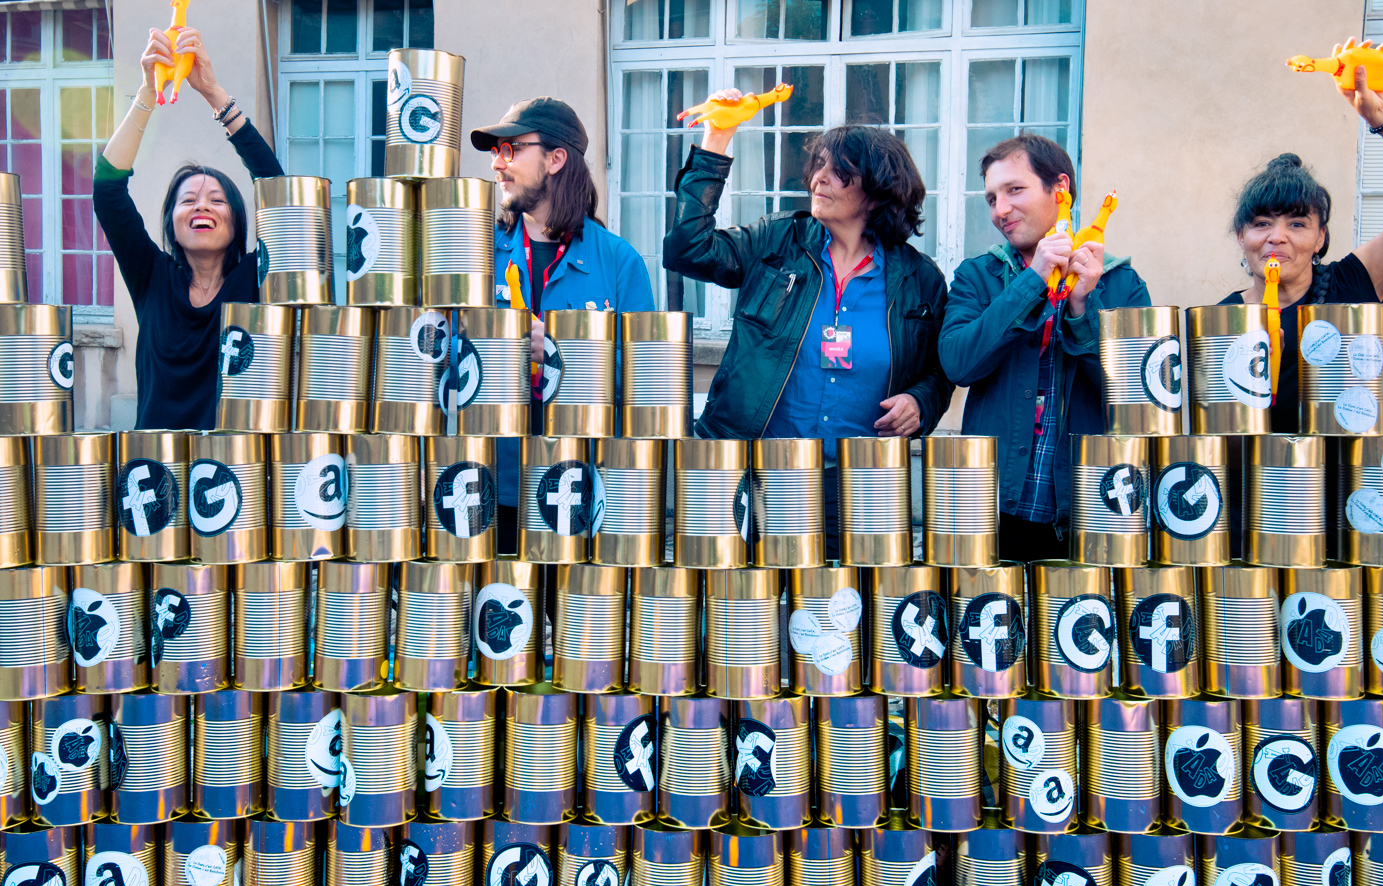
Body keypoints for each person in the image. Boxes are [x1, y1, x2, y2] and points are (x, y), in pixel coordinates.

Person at [663, 92, 953, 547]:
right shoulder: (778, 241)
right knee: (739, 612)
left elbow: (941, 369)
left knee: (834, 614)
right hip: (749, 471)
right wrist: (717, 140)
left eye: (838, 171)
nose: (818, 179)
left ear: (879, 189)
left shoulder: (921, 280)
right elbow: (686, 249)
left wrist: (921, 401)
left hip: (856, 492)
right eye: (817, 167)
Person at [1222, 38, 1383, 433]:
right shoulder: (1218, 322)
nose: (1277, 237)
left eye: (1298, 224)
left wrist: (1380, 114)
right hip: (1271, 491)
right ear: (1241, 236)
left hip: (1356, 487)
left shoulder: (1354, 282)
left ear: (1322, 237)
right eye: (1261, 223)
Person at [939, 134, 1151, 562]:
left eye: (1015, 190)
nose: (1000, 210)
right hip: (992, 510)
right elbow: (958, 364)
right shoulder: (977, 277)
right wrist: (1031, 282)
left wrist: (1081, 307)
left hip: (1091, 509)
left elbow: (1136, 400)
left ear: (1061, 190)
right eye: (992, 198)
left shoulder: (1122, 284)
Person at [469, 97, 655, 552]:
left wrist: (558, 352)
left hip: (581, 486)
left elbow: (648, 383)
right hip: (490, 484)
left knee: (580, 624)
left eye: (510, 149)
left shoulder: (618, 261)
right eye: (495, 151)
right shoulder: (475, 253)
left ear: (556, 159)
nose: (497, 163)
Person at [95, 26, 283, 430]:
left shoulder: (255, 278)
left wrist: (213, 92)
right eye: (188, 200)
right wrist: (149, 91)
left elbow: (281, 196)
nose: (202, 205)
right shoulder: (152, 277)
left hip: (231, 478)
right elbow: (106, 188)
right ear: (172, 223)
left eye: (217, 200)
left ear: (238, 221)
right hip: (152, 478)